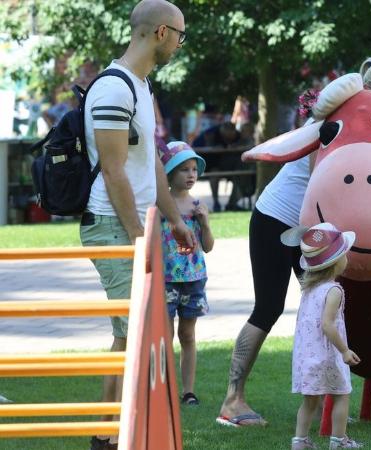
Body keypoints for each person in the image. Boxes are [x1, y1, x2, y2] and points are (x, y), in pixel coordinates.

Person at [218, 58, 371, 428]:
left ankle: (327, 406)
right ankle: (232, 400)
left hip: (312, 229)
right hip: (277, 220)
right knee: (269, 306)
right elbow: (322, 177)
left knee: (326, 310)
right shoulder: (333, 120)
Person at [80, 1, 194, 449]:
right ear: (162, 33)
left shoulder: (142, 88)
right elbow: (113, 171)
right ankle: (106, 435)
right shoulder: (113, 89)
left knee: (132, 333)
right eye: (180, 37)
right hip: (112, 223)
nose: (180, 47)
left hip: (137, 222)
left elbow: (148, 171)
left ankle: (112, 431)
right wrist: (137, 234)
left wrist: (175, 221)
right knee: (130, 333)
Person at [283, 223, 363, 450]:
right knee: (341, 394)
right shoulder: (333, 290)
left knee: (309, 401)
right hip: (328, 354)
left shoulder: (308, 289)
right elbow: (327, 325)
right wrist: (344, 350)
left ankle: (299, 441)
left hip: (307, 355)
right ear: (336, 262)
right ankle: (339, 440)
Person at [159, 141, 214, 407]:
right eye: (184, 170)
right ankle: (165, 388)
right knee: (165, 335)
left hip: (194, 280)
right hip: (166, 280)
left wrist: (204, 222)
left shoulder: (197, 206)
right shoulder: (160, 206)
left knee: (188, 335)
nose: (191, 175)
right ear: (168, 173)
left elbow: (208, 247)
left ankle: (188, 391)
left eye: (194, 169)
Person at [192, 121, 244, 212]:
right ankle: (216, 202)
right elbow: (199, 150)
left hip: (230, 163)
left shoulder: (238, 135)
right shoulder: (210, 134)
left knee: (241, 173)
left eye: (230, 137)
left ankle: (232, 204)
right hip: (211, 163)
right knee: (214, 174)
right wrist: (213, 147)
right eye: (226, 137)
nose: (228, 140)